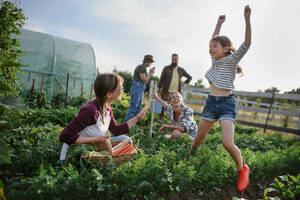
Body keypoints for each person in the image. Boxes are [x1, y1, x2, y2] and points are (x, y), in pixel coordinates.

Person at [189, 5, 252, 192]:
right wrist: (218, 23)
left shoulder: (232, 60)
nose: (211, 48)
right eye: (209, 47)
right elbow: (212, 39)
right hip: (211, 104)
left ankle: (242, 168)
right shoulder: (214, 61)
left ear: (225, 49)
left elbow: (247, 43)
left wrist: (247, 19)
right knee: (198, 138)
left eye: (214, 46)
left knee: (227, 143)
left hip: (226, 105)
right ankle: (188, 160)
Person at [59, 73, 149, 163]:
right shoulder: (90, 111)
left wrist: (138, 117)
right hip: (78, 152)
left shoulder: (107, 110)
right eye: (120, 88)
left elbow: (117, 130)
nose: (122, 90)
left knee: (127, 141)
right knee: (124, 143)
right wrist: (97, 139)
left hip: (93, 148)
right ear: (109, 94)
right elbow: (65, 136)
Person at [158, 53, 192, 118]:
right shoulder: (166, 68)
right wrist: (158, 91)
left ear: (177, 60)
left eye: (175, 59)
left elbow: (189, 77)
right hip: (165, 92)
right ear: (171, 59)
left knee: (174, 110)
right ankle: (160, 123)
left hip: (175, 94)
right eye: (173, 59)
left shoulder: (181, 70)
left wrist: (184, 83)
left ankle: (171, 123)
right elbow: (161, 80)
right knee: (163, 109)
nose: (174, 60)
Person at [124, 55, 155, 121]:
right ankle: (126, 125)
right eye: (150, 62)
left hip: (140, 90)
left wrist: (149, 73)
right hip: (137, 89)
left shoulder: (144, 68)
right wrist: (151, 73)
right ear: (147, 61)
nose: (151, 64)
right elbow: (145, 80)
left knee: (138, 109)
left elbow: (146, 81)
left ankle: (133, 125)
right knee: (133, 108)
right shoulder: (141, 67)